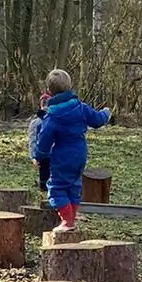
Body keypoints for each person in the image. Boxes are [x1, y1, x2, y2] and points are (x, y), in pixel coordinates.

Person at [33, 69, 111, 233]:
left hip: (62, 156)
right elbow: (97, 120)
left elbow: (44, 140)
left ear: (49, 91)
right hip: (80, 154)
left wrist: (38, 155)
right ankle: (71, 220)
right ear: (70, 87)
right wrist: (106, 113)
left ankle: (67, 221)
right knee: (74, 185)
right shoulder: (81, 108)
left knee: (56, 187)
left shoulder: (52, 116)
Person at [27, 94, 51, 194]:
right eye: (44, 102)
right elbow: (32, 140)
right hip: (43, 156)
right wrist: (33, 156)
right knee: (44, 181)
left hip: (55, 156)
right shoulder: (36, 122)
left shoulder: (55, 120)